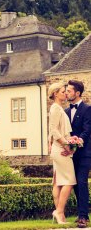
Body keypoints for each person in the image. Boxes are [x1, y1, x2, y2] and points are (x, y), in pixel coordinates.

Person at [48, 82, 76, 224]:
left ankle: (60, 215)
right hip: (60, 149)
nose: (66, 94)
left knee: (58, 182)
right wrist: (66, 146)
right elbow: (54, 130)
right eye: (63, 91)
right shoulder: (56, 109)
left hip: (58, 147)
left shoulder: (58, 108)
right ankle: (59, 211)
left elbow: (53, 131)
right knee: (70, 180)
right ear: (55, 93)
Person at [65, 80, 91, 228]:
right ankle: (80, 213)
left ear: (77, 93)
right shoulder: (66, 111)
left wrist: (78, 141)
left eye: (69, 91)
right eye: (66, 91)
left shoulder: (88, 109)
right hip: (70, 155)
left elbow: (87, 130)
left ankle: (83, 217)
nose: (67, 93)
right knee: (74, 185)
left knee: (81, 183)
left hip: (85, 153)